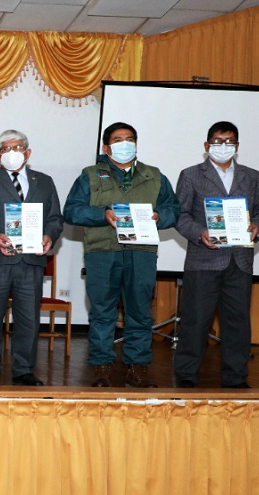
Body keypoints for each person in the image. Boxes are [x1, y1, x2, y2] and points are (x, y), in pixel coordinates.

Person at [64, 122, 179, 387]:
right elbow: (71, 210)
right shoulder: (90, 175)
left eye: (129, 139)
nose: (124, 144)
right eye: (117, 140)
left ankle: (137, 369)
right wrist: (101, 214)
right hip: (102, 252)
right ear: (107, 148)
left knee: (140, 312)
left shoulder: (154, 176)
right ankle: (102, 368)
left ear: (136, 145)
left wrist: (159, 216)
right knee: (102, 312)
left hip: (142, 252)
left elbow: (174, 209)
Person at [173, 121, 259, 388]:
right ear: (207, 145)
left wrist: (258, 225)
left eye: (229, 141)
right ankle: (186, 375)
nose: (223, 146)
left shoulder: (252, 176)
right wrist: (199, 232)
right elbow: (180, 214)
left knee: (237, 322)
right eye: (217, 141)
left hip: (239, 261)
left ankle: (235, 377)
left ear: (237, 146)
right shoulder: (191, 175)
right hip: (203, 260)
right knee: (196, 320)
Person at [0, 129, 65, 386]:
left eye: (17, 147)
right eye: (6, 149)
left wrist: (49, 236)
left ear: (27, 152)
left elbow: (55, 218)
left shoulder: (45, 182)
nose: (12, 153)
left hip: (31, 261)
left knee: (29, 318)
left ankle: (24, 369)